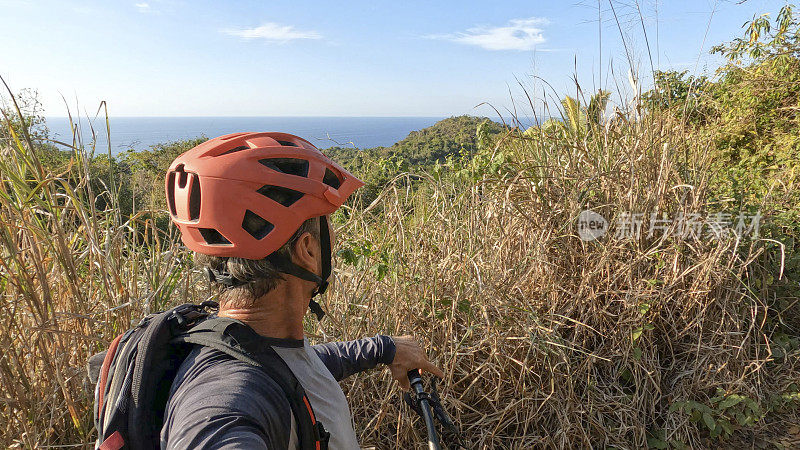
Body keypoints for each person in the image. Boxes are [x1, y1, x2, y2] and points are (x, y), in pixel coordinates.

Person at [160, 132, 444, 449]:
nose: (333, 239)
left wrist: (383, 348)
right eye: (327, 226)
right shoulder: (228, 401)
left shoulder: (248, 343)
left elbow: (297, 365)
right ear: (307, 250)